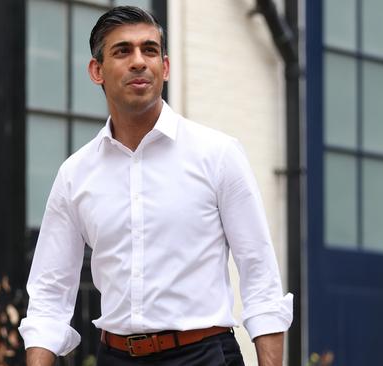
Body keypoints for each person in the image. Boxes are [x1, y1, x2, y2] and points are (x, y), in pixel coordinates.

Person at [19, 6, 293, 366]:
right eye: (122, 51)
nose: (138, 62)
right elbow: (49, 293)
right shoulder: (75, 174)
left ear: (164, 67)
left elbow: (260, 278)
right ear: (96, 71)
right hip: (115, 357)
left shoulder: (218, 155)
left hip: (204, 356)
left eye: (149, 50)